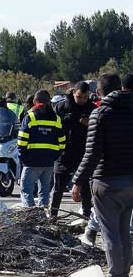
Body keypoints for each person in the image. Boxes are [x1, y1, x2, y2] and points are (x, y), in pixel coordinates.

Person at [72, 73, 133, 277]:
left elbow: (92, 153)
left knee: (110, 236)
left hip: (107, 182)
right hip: (131, 182)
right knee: (125, 233)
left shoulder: (100, 113)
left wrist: (78, 181)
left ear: (99, 92)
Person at [51, 81, 97, 219]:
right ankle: (53, 215)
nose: (82, 100)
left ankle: (86, 216)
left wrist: (89, 122)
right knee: (58, 188)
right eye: (79, 97)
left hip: (84, 151)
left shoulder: (91, 108)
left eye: (84, 97)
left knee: (85, 188)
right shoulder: (62, 106)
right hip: (64, 152)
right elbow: (54, 126)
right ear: (73, 93)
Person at [18, 90, 64, 208]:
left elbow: (22, 141)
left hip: (31, 162)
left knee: (26, 191)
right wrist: (54, 156)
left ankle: (32, 217)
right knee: (44, 193)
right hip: (48, 162)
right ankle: (43, 218)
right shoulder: (56, 119)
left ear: (34, 101)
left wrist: (23, 158)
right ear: (49, 102)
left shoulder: (30, 117)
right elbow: (62, 142)